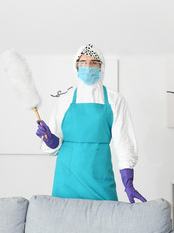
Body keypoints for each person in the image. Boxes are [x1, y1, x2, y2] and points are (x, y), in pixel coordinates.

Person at [36, 44, 146, 203]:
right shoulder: (64, 101)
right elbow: (54, 146)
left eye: (94, 62)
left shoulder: (115, 99)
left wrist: (128, 183)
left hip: (99, 175)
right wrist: (50, 140)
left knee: (105, 224)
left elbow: (124, 142)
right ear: (76, 66)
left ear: (101, 67)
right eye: (83, 62)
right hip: (66, 179)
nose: (88, 67)